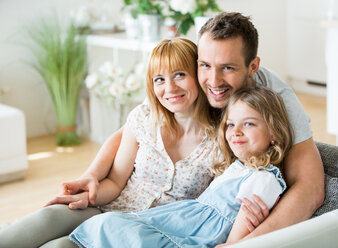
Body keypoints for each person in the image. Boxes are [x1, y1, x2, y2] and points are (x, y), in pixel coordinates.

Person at [61, 11, 325, 238]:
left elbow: (310, 188)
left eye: (228, 68)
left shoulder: (278, 100)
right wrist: (92, 175)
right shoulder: (183, 81)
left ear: (253, 66)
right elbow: (132, 129)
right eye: (205, 65)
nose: (213, 80)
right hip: (126, 208)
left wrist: (244, 243)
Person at [0, 38, 227, 248]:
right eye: (159, 79)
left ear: (199, 75)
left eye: (179, 75)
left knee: (58, 246)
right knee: (47, 217)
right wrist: (88, 197)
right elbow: (116, 183)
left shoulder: (222, 140)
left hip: (148, 233)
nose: (169, 88)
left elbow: (211, 209)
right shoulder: (143, 118)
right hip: (109, 208)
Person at [69, 86, 294, 248]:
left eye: (249, 124)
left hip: (198, 234)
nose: (235, 132)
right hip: (182, 220)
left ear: (273, 132)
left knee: (128, 233)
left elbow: (247, 216)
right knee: (111, 224)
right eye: (231, 124)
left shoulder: (265, 178)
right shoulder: (237, 167)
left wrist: (232, 245)